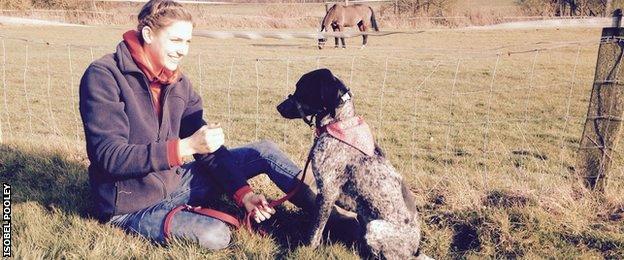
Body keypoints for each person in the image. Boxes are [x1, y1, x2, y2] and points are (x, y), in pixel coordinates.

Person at [79, 0, 356, 250]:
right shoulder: (103, 76)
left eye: (187, 42)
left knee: (264, 150)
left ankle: (339, 221)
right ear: (148, 35)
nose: (183, 51)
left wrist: (244, 194)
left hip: (175, 181)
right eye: (176, 40)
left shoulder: (178, 83)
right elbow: (109, 157)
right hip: (130, 204)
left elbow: (207, 148)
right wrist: (186, 146)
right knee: (215, 235)